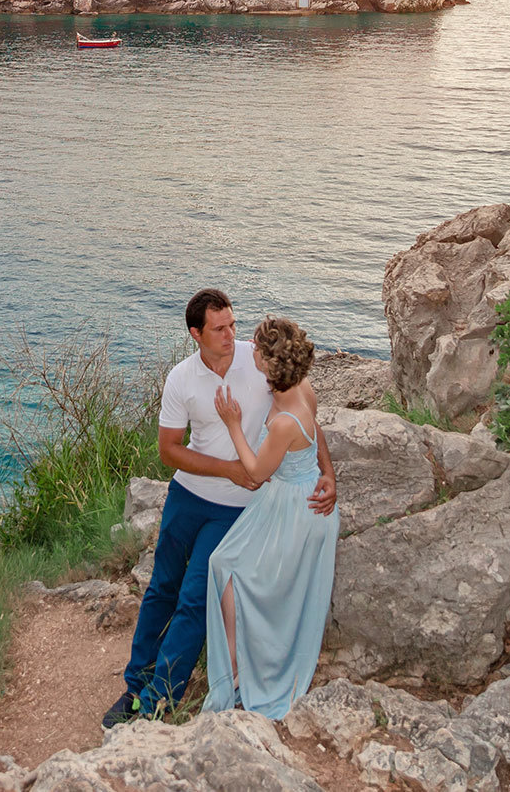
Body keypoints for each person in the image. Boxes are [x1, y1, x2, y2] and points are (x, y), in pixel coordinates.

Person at [103, 289, 336, 728]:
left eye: (232, 324)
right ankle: (135, 685)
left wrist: (328, 471)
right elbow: (169, 451)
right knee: (161, 588)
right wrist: (228, 469)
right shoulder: (181, 379)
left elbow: (307, 416)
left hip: (236, 507)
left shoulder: (261, 362)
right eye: (219, 329)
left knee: (195, 597)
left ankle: (156, 702)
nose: (231, 335)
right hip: (188, 495)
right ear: (196, 334)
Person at [204, 316, 339, 718]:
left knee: (229, 567)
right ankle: (238, 665)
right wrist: (329, 473)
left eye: (257, 346)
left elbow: (257, 472)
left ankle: (239, 671)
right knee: (224, 563)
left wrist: (233, 425)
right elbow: (317, 433)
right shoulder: (302, 388)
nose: (250, 346)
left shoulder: (283, 422)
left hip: (296, 510)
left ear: (267, 360)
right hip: (298, 494)